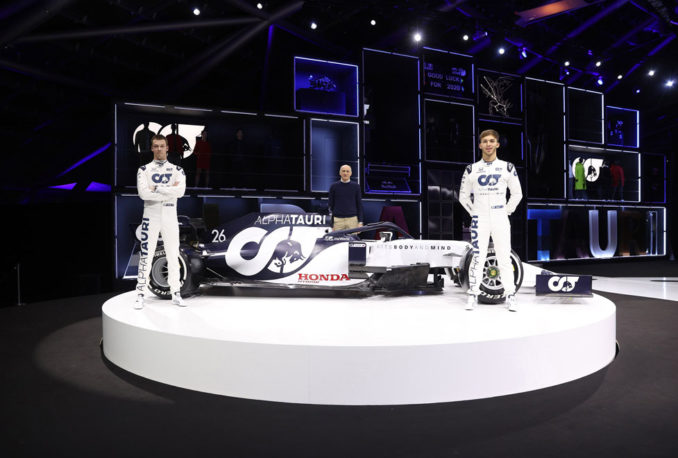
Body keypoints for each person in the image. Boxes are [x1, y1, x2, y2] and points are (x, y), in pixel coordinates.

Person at [459, 129, 522, 311]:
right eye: (485, 141)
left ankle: (510, 294)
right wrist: (474, 213)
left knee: (504, 257)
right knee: (478, 257)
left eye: (491, 141)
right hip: (480, 219)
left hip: (500, 217)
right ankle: (473, 294)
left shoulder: (507, 167)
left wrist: (506, 211)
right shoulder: (471, 169)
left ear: (497, 144)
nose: (488, 144)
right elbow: (463, 196)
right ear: (480, 145)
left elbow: (517, 194)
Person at [134, 134, 187, 309]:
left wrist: (156, 188)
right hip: (151, 215)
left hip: (170, 215)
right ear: (152, 148)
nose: (159, 149)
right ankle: (140, 293)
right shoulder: (143, 170)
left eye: (162, 146)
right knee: (146, 254)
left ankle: (176, 293)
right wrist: (168, 190)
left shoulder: (177, 170)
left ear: (167, 148)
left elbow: (180, 192)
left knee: (173, 253)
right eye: (156, 146)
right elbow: (143, 194)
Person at [328, 164, 364, 231]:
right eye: (343, 171)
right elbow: (331, 205)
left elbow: (359, 205)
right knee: (337, 238)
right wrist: (332, 224)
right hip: (338, 220)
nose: (345, 173)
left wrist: (360, 222)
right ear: (340, 173)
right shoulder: (333, 186)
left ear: (351, 173)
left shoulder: (356, 186)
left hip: (352, 220)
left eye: (347, 171)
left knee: (353, 238)